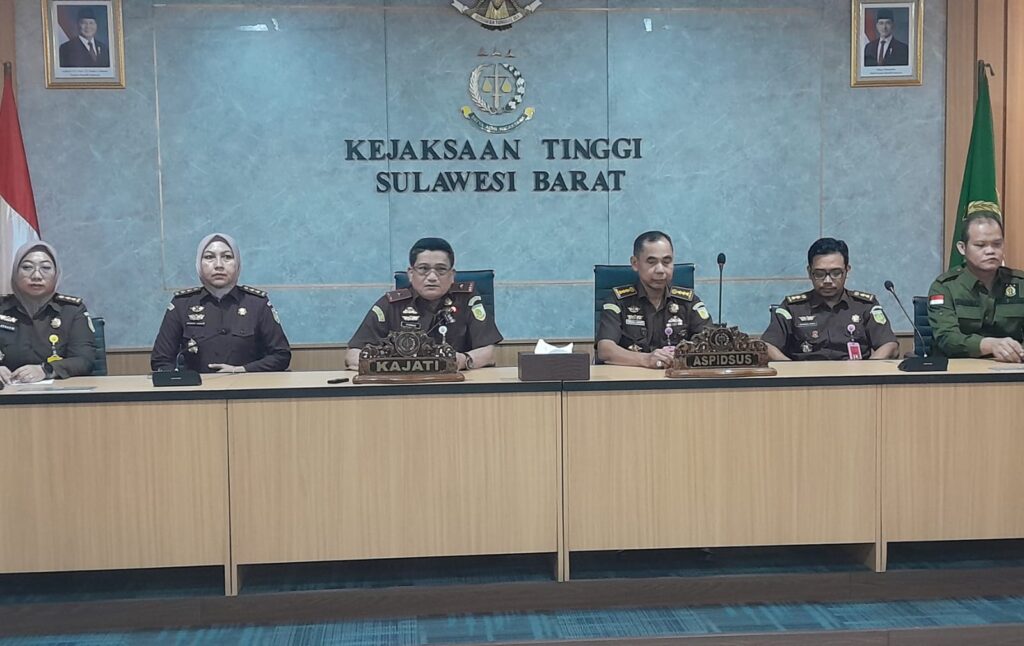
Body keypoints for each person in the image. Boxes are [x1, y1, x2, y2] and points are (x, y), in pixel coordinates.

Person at [346, 237, 502, 370]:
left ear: (452, 275)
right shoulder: (390, 305)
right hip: (402, 386)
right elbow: (352, 354)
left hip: (456, 385)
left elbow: (489, 353)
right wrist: (386, 366)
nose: (432, 277)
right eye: (423, 269)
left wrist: (464, 360)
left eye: (441, 269)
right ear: (410, 273)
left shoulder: (467, 300)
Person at [151, 233, 291, 373]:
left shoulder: (257, 303)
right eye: (209, 257)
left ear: (238, 264)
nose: (219, 265)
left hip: (246, 384)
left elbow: (281, 355)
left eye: (227, 257)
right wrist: (181, 381)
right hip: (197, 386)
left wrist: (241, 369)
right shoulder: (181, 304)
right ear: (199, 264)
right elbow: (161, 360)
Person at [762, 237, 898, 361]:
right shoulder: (792, 308)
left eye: (836, 273)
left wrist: (867, 370)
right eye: (819, 274)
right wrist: (792, 370)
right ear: (809, 272)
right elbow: (767, 346)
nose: (827, 280)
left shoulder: (865, 306)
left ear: (847, 270)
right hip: (806, 377)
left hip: (854, 376)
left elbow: (889, 345)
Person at [596, 231, 711, 368]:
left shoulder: (688, 302)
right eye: (651, 262)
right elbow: (605, 349)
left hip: (676, 377)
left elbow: (710, 343)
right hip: (632, 378)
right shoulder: (617, 301)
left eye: (667, 262)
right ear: (635, 263)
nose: (660, 270)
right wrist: (646, 359)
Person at [928, 210, 1024, 362]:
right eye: (980, 245)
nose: (990, 251)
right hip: (960, 369)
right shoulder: (945, 287)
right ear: (962, 248)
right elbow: (947, 338)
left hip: (1013, 366)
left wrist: (1016, 351)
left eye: (997, 244)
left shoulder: (1020, 283)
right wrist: (991, 345)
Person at [0, 241, 97, 383]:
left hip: (59, 393)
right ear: (15, 272)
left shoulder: (71, 310)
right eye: (27, 267)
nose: (36, 276)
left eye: (45, 268)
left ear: (56, 274)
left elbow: (84, 360)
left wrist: (47, 370)